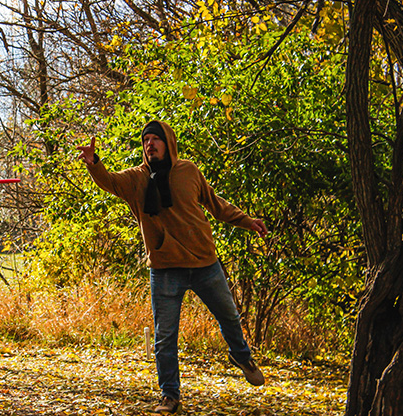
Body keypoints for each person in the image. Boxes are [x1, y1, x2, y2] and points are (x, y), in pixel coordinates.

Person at [76, 120, 268, 414]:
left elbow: (215, 204)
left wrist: (246, 220)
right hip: (165, 268)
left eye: (155, 139)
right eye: (145, 140)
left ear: (168, 143)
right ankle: (170, 396)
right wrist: (94, 164)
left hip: (204, 262)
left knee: (229, 314)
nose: (149, 144)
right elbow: (110, 181)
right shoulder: (137, 179)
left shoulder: (188, 171)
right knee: (165, 337)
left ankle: (242, 357)